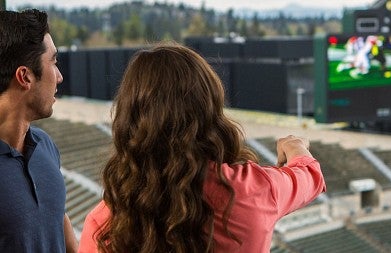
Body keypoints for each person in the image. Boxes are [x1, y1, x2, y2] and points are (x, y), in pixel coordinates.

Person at [78, 42, 326, 253]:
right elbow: (310, 176)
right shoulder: (254, 190)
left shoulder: (103, 225)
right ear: (208, 110)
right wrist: (295, 146)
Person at [0, 9, 78, 252]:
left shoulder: (45, 145)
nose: (60, 76)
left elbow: (59, 222)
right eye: (53, 62)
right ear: (25, 76)